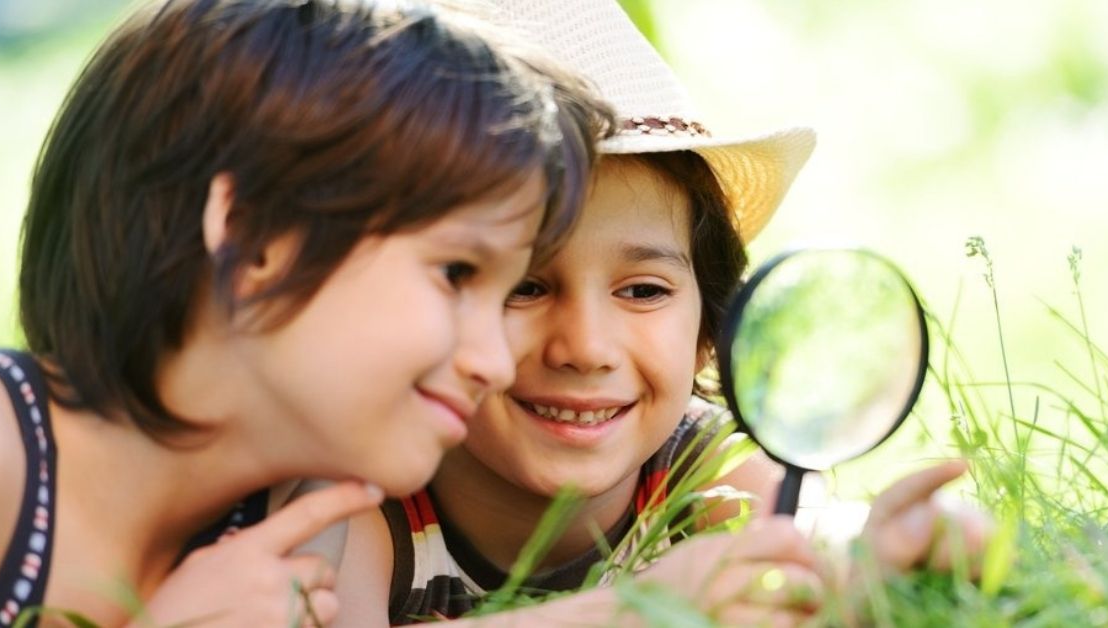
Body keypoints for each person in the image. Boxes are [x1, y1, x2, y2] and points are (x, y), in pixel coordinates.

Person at [323, 0, 992, 625]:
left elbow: (810, 539)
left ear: (709, 333)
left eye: (643, 291)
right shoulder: (362, 490)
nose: (586, 348)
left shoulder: (696, 466)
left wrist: (877, 547)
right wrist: (636, 608)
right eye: (523, 287)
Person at [0, 0, 615, 625]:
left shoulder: (298, 514)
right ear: (253, 239)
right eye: (456, 274)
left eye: (506, 297)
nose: (496, 363)